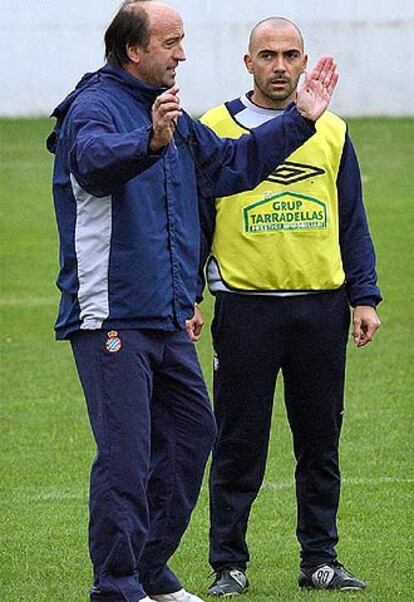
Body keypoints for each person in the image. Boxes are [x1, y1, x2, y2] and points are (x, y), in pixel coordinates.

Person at [46, 2, 338, 601]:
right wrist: (148, 142)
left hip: (166, 313)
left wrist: (301, 120)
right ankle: (118, 586)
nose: (182, 53)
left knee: (190, 438)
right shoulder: (93, 109)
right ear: (134, 50)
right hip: (111, 315)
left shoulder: (173, 114)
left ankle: (151, 572)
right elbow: (93, 165)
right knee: (126, 459)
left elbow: (233, 163)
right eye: (171, 42)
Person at [199, 17, 382, 597]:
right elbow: (196, 221)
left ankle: (320, 560)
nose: (280, 66)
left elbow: (350, 216)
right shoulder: (215, 128)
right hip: (245, 311)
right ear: (247, 63)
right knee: (237, 443)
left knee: (320, 441)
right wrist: (184, 299)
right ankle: (229, 564)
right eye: (268, 55)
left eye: (290, 55)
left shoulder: (332, 130)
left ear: (304, 63)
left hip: (320, 311)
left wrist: (365, 296)